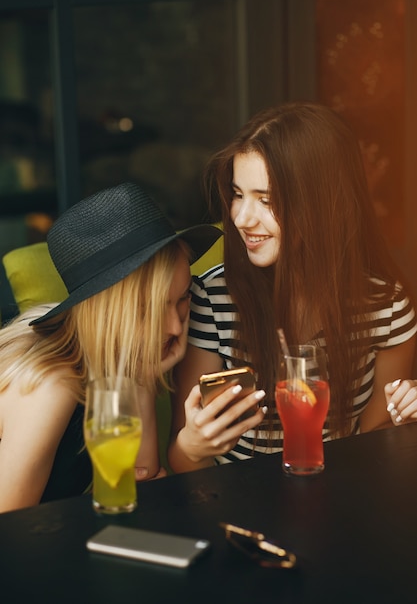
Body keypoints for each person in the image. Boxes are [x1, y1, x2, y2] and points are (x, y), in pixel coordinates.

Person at [168, 101, 417, 473]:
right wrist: (193, 446)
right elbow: (181, 464)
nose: (240, 218)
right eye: (237, 194)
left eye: (266, 200)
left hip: (339, 492)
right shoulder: (212, 299)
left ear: (322, 205)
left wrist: (406, 419)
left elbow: (375, 437)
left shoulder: (387, 306)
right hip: (238, 501)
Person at [0, 181, 222, 512]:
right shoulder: (54, 385)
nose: (176, 327)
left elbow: (139, 479)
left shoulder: (116, 362)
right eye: (152, 308)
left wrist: (142, 379)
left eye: (182, 299)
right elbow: (9, 524)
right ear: (109, 312)